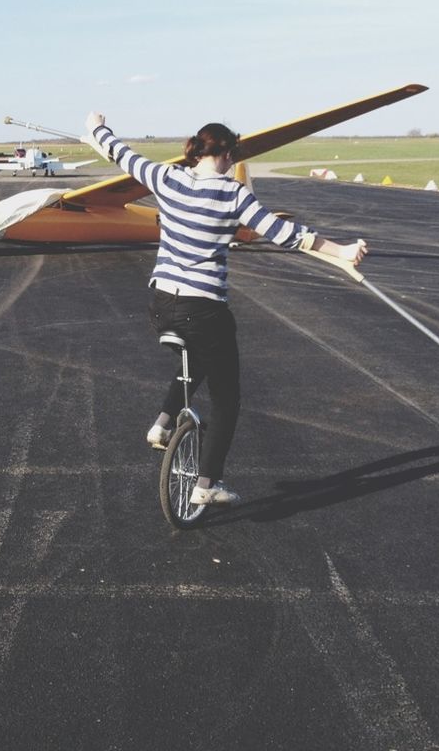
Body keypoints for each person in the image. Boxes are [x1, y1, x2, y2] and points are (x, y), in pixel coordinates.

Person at [85, 113, 366, 506]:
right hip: (204, 310)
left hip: (161, 304)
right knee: (226, 397)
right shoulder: (234, 195)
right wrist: (344, 251)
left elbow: (121, 154)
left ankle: (163, 425)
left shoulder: (166, 178)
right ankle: (206, 484)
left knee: (198, 359)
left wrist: (98, 127)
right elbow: (286, 235)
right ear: (229, 154)